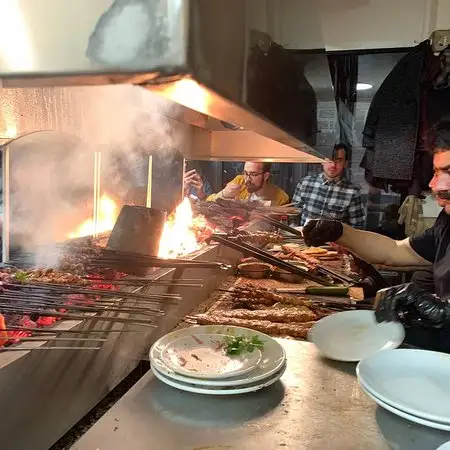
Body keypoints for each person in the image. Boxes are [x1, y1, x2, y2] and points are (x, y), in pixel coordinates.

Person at [302, 122, 450, 351]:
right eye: (436, 172)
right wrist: (340, 232)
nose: (434, 185)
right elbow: (396, 251)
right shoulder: (447, 221)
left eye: (448, 171)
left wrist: (444, 312)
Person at [292, 143, 366, 228]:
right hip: (303, 238)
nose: (333, 165)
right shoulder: (305, 183)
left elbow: (358, 227)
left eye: (339, 161)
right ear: (322, 161)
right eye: (329, 160)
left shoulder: (353, 192)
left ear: (345, 163)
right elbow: (293, 214)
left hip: (335, 240)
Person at [206, 162, 289, 206]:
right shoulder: (239, 180)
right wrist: (223, 194)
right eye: (245, 173)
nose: (247, 179)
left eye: (253, 174)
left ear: (266, 176)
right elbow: (208, 202)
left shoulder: (281, 197)